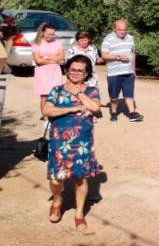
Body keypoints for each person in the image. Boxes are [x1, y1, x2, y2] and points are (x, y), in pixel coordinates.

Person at [42, 55, 101, 231]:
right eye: (73, 69)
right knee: (56, 178)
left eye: (80, 71)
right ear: (66, 70)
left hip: (82, 142)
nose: (76, 73)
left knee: (80, 178)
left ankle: (79, 214)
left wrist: (79, 93)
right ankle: (58, 200)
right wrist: (73, 108)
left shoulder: (91, 91)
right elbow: (47, 110)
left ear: (86, 73)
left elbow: (95, 107)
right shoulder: (57, 90)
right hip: (59, 142)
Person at [101, 19, 143, 122]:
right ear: (114, 29)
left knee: (129, 94)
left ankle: (132, 114)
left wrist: (134, 70)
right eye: (120, 30)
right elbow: (104, 55)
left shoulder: (130, 38)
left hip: (128, 72)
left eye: (124, 29)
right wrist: (118, 57)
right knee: (114, 97)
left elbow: (133, 54)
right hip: (114, 73)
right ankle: (114, 112)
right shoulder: (108, 39)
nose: (122, 32)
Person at [32, 23, 63, 114]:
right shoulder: (37, 43)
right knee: (44, 96)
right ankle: (45, 117)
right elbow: (38, 60)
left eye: (53, 34)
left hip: (55, 72)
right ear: (42, 32)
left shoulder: (57, 42)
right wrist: (54, 58)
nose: (51, 36)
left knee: (56, 95)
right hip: (42, 73)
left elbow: (61, 57)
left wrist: (46, 58)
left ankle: (54, 114)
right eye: (49, 34)